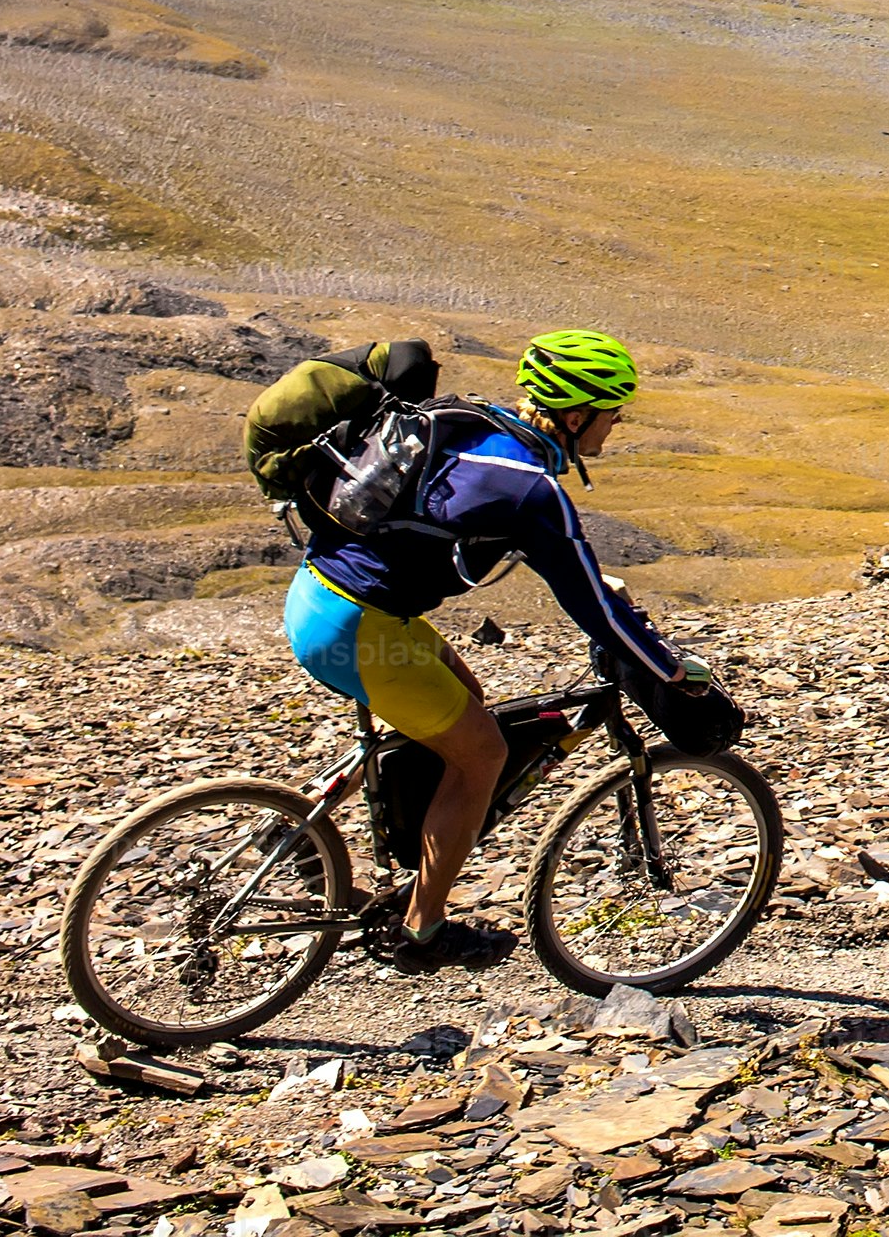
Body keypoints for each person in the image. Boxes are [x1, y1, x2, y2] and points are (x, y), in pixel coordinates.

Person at [279, 328, 690, 970]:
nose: (613, 429)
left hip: (322, 596)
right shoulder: (531, 488)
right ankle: (422, 930)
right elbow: (593, 610)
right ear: (576, 415)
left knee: (464, 704)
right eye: (612, 414)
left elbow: (468, 525)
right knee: (483, 755)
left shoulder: (470, 425)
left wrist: (593, 583)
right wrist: (669, 668)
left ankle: (302, 819)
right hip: (362, 629)